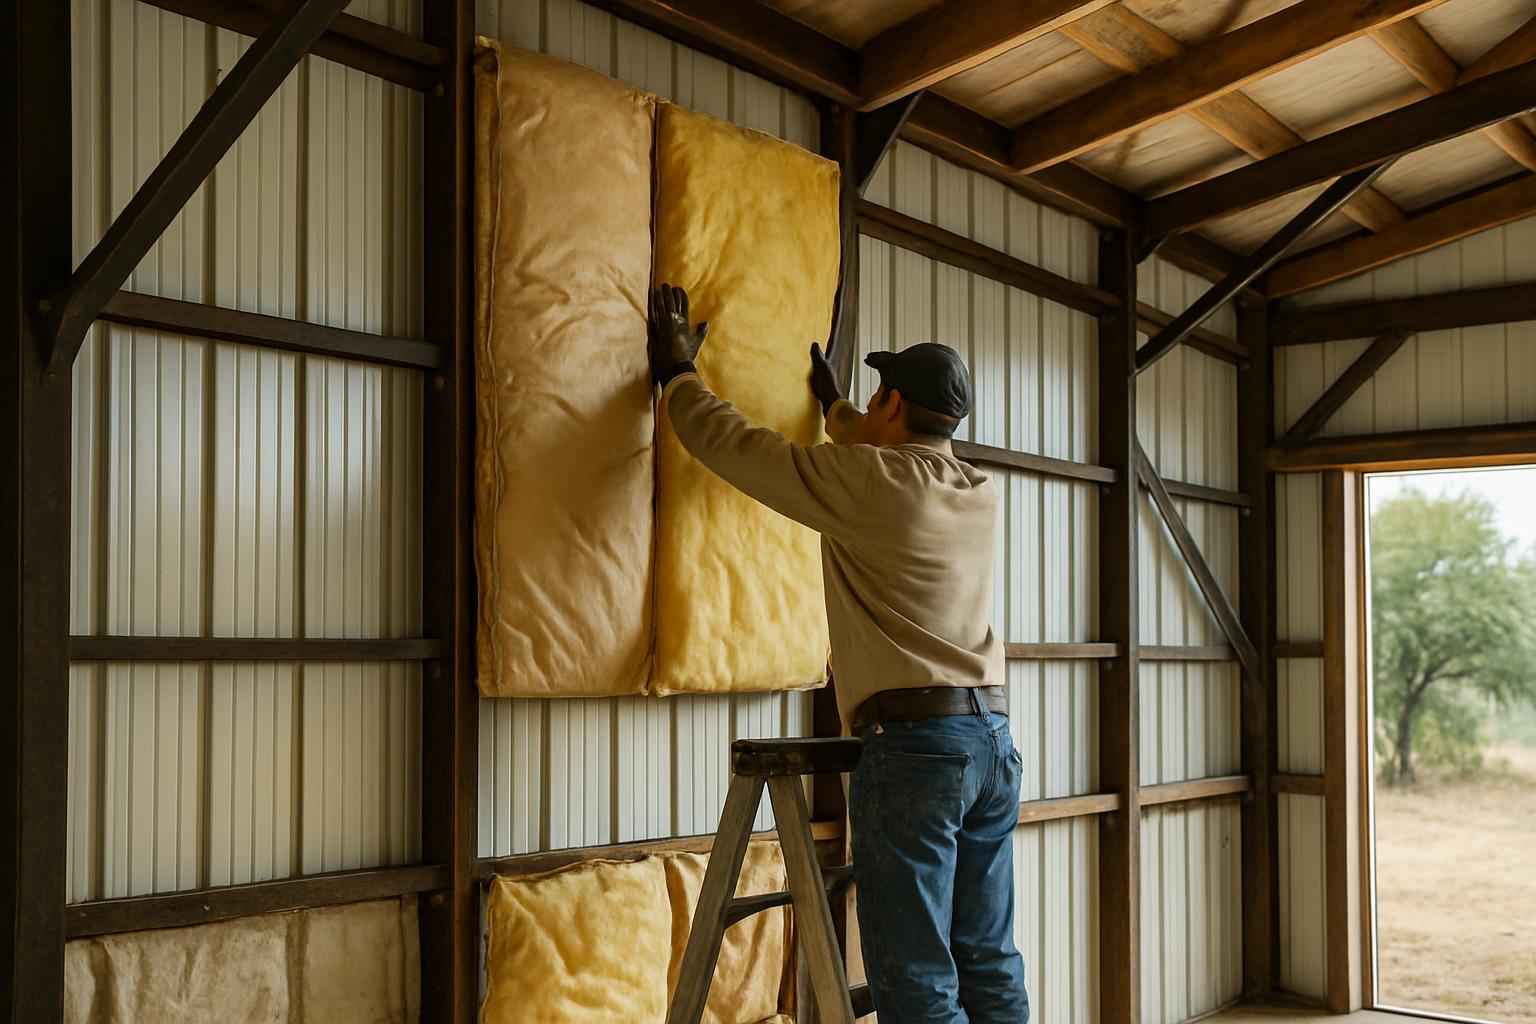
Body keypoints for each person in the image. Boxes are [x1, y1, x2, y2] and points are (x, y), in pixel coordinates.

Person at [648, 283, 1030, 1024]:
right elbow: (878, 446)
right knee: (988, 960)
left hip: (918, 752)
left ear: (893, 405)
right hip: (990, 744)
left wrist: (677, 377)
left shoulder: (872, 483)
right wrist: (835, 408)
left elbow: (741, 449)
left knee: (917, 978)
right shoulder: (975, 489)